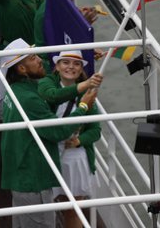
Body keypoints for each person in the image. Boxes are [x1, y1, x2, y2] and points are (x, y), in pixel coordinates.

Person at [0, 38, 98, 228]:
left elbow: (52, 88)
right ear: (21, 69)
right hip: (32, 177)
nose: (40, 60)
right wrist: (84, 105)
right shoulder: (29, 98)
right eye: (33, 57)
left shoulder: (15, 90)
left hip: (20, 171)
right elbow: (57, 131)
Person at [38, 50, 103, 228]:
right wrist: (83, 87)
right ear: (57, 67)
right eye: (65, 62)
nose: (70, 67)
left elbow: (96, 131)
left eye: (76, 64)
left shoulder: (88, 96)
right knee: (45, 205)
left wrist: (79, 141)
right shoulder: (47, 85)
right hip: (49, 153)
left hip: (73, 159)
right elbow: (51, 96)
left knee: (73, 209)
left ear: (81, 68)